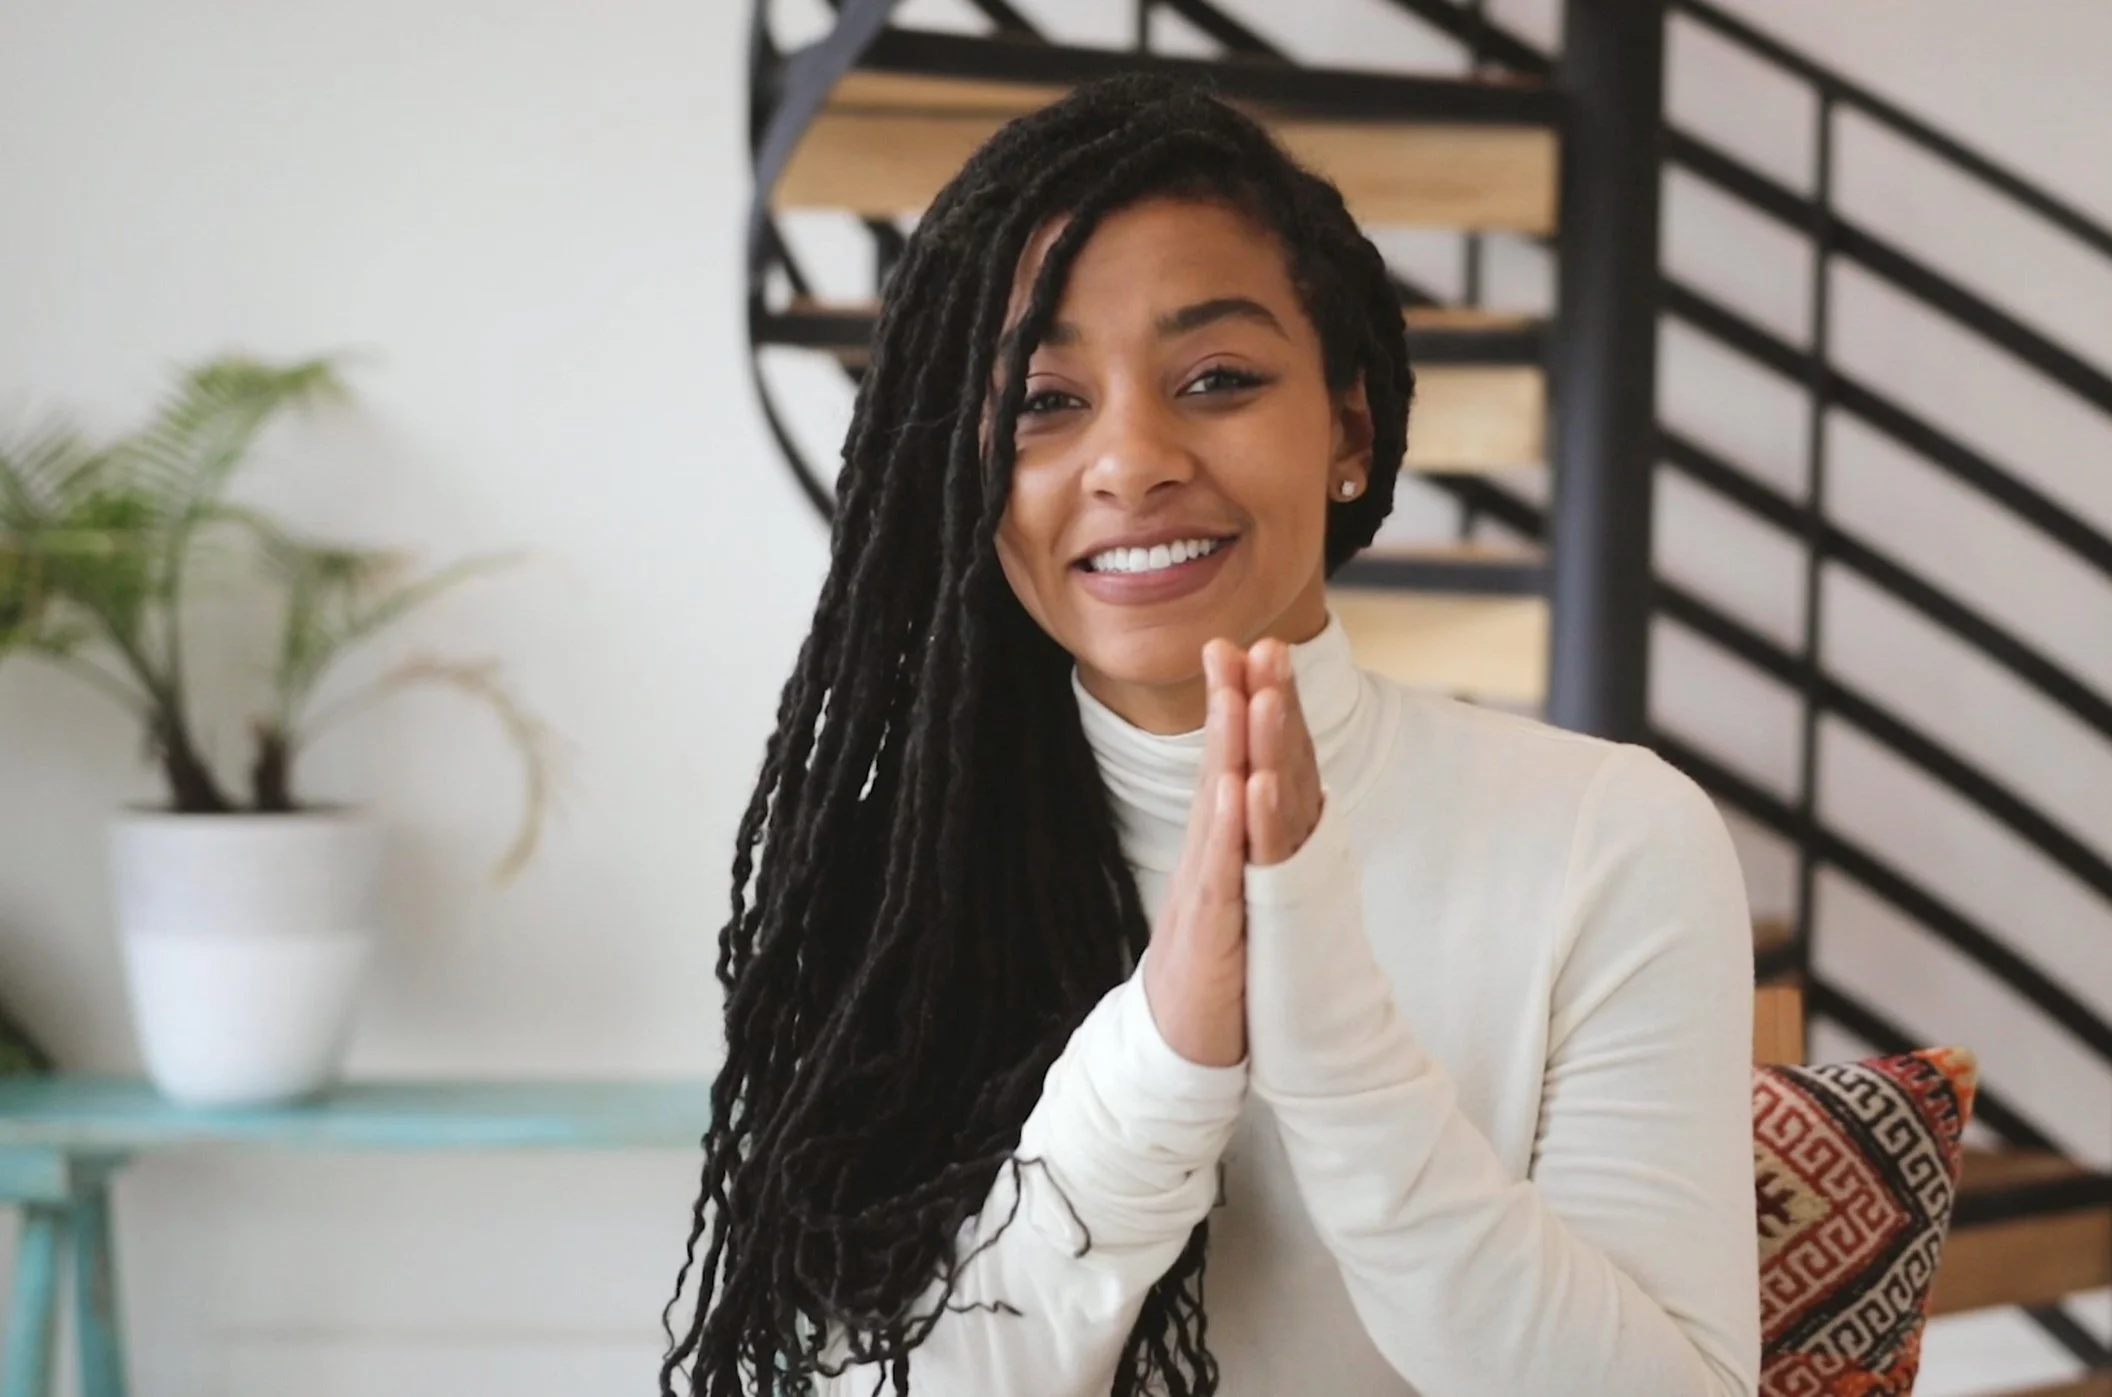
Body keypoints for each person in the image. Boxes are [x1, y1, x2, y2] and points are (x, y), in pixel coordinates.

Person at [662, 72, 1759, 1397]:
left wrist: (1339, 1053)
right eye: (1043, 401)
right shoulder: (895, 886)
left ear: (1349, 425)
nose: (1132, 460)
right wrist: (1164, 1059)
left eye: (1218, 378)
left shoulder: (1607, 840)